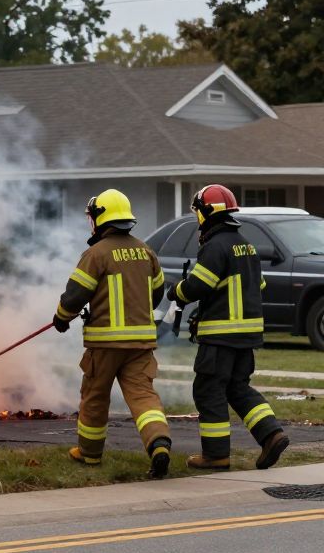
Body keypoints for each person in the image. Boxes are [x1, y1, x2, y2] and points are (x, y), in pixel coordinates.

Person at [165, 184, 289, 470]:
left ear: (206, 213)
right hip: (247, 335)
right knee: (237, 387)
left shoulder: (215, 246)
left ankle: (216, 455)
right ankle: (272, 434)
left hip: (221, 337)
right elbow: (258, 285)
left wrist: (175, 292)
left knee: (208, 390)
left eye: (197, 212)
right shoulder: (246, 245)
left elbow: (199, 285)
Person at [53, 189, 172, 478]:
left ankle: (90, 454)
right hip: (141, 344)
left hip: (105, 345)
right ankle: (158, 443)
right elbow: (157, 293)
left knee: (95, 395)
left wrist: (61, 318)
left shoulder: (96, 254)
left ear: (100, 219)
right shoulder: (146, 251)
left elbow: (74, 296)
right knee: (144, 397)